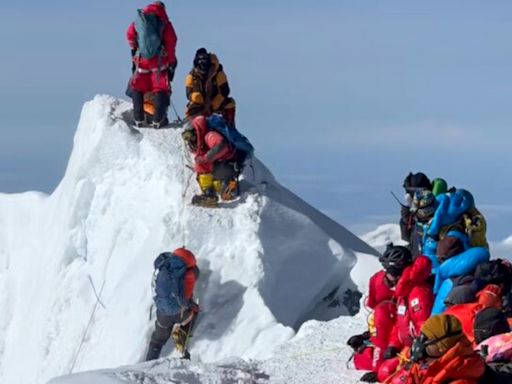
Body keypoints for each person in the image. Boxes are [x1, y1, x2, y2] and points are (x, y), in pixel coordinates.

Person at [388, 314, 486, 384]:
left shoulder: (461, 376)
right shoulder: (426, 363)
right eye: (420, 336)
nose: (418, 344)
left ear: (441, 347)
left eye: (425, 339)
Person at [126, 1, 177, 128]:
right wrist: (171, 62)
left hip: (141, 60)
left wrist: (134, 50)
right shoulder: (165, 23)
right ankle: (158, 120)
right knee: (160, 88)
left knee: (138, 87)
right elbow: (171, 43)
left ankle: (138, 119)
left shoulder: (140, 20)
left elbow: (129, 34)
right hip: (159, 61)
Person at [146, 248, 199, 361]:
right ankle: (183, 334)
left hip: (163, 314)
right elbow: (186, 298)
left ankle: (146, 365)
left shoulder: (162, 267)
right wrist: (193, 306)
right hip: (180, 313)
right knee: (193, 313)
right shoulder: (190, 274)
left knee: (157, 341)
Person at [181, 115, 241, 207]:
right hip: (225, 165)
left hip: (228, 164)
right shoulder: (202, 141)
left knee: (207, 167)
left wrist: (205, 158)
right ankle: (216, 191)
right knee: (202, 165)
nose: (189, 140)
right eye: (185, 137)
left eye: (189, 136)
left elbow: (221, 146)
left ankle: (220, 191)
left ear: (195, 130)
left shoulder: (209, 135)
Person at [185, 48, 236, 127]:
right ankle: (195, 129)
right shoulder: (192, 76)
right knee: (192, 111)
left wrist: (213, 104)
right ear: (196, 61)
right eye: (199, 59)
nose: (202, 62)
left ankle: (230, 126)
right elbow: (188, 94)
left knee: (230, 103)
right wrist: (196, 97)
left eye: (204, 58)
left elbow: (225, 91)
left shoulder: (218, 72)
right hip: (199, 105)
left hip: (215, 103)